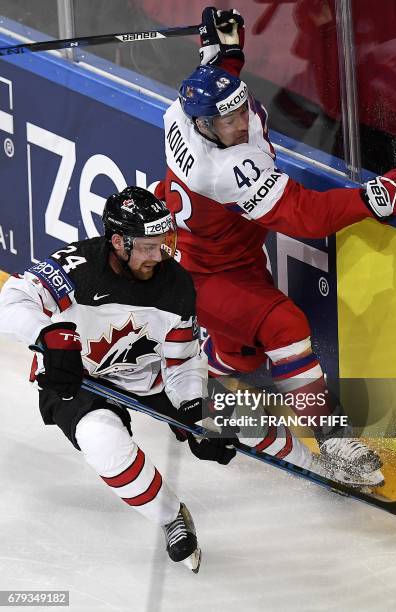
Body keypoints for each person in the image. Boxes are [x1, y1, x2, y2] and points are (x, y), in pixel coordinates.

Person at [154, 7, 396, 488]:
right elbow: (304, 215)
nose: (238, 124)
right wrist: (383, 195)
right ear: (204, 127)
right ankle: (332, 441)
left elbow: (218, 81)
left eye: (240, 110)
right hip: (206, 275)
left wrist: (223, 48)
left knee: (244, 356)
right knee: (285, 327)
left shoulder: (183, 114)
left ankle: (210, 385)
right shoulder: (219, 171)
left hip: (227, 256)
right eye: (225, 122)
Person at [0, 186, 237, 572]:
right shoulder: (77, 266)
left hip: (143, 371)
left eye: (163, 243)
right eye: (146, 246)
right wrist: (48, 335)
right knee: (101, 441)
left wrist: (195, 412)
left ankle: (324, 455)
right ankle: (170, 516)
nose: (158, 255)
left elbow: (183, 360)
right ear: (117, 242)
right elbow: (9, 301)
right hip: (77, 377)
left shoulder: (175, 283)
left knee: (237, 417)